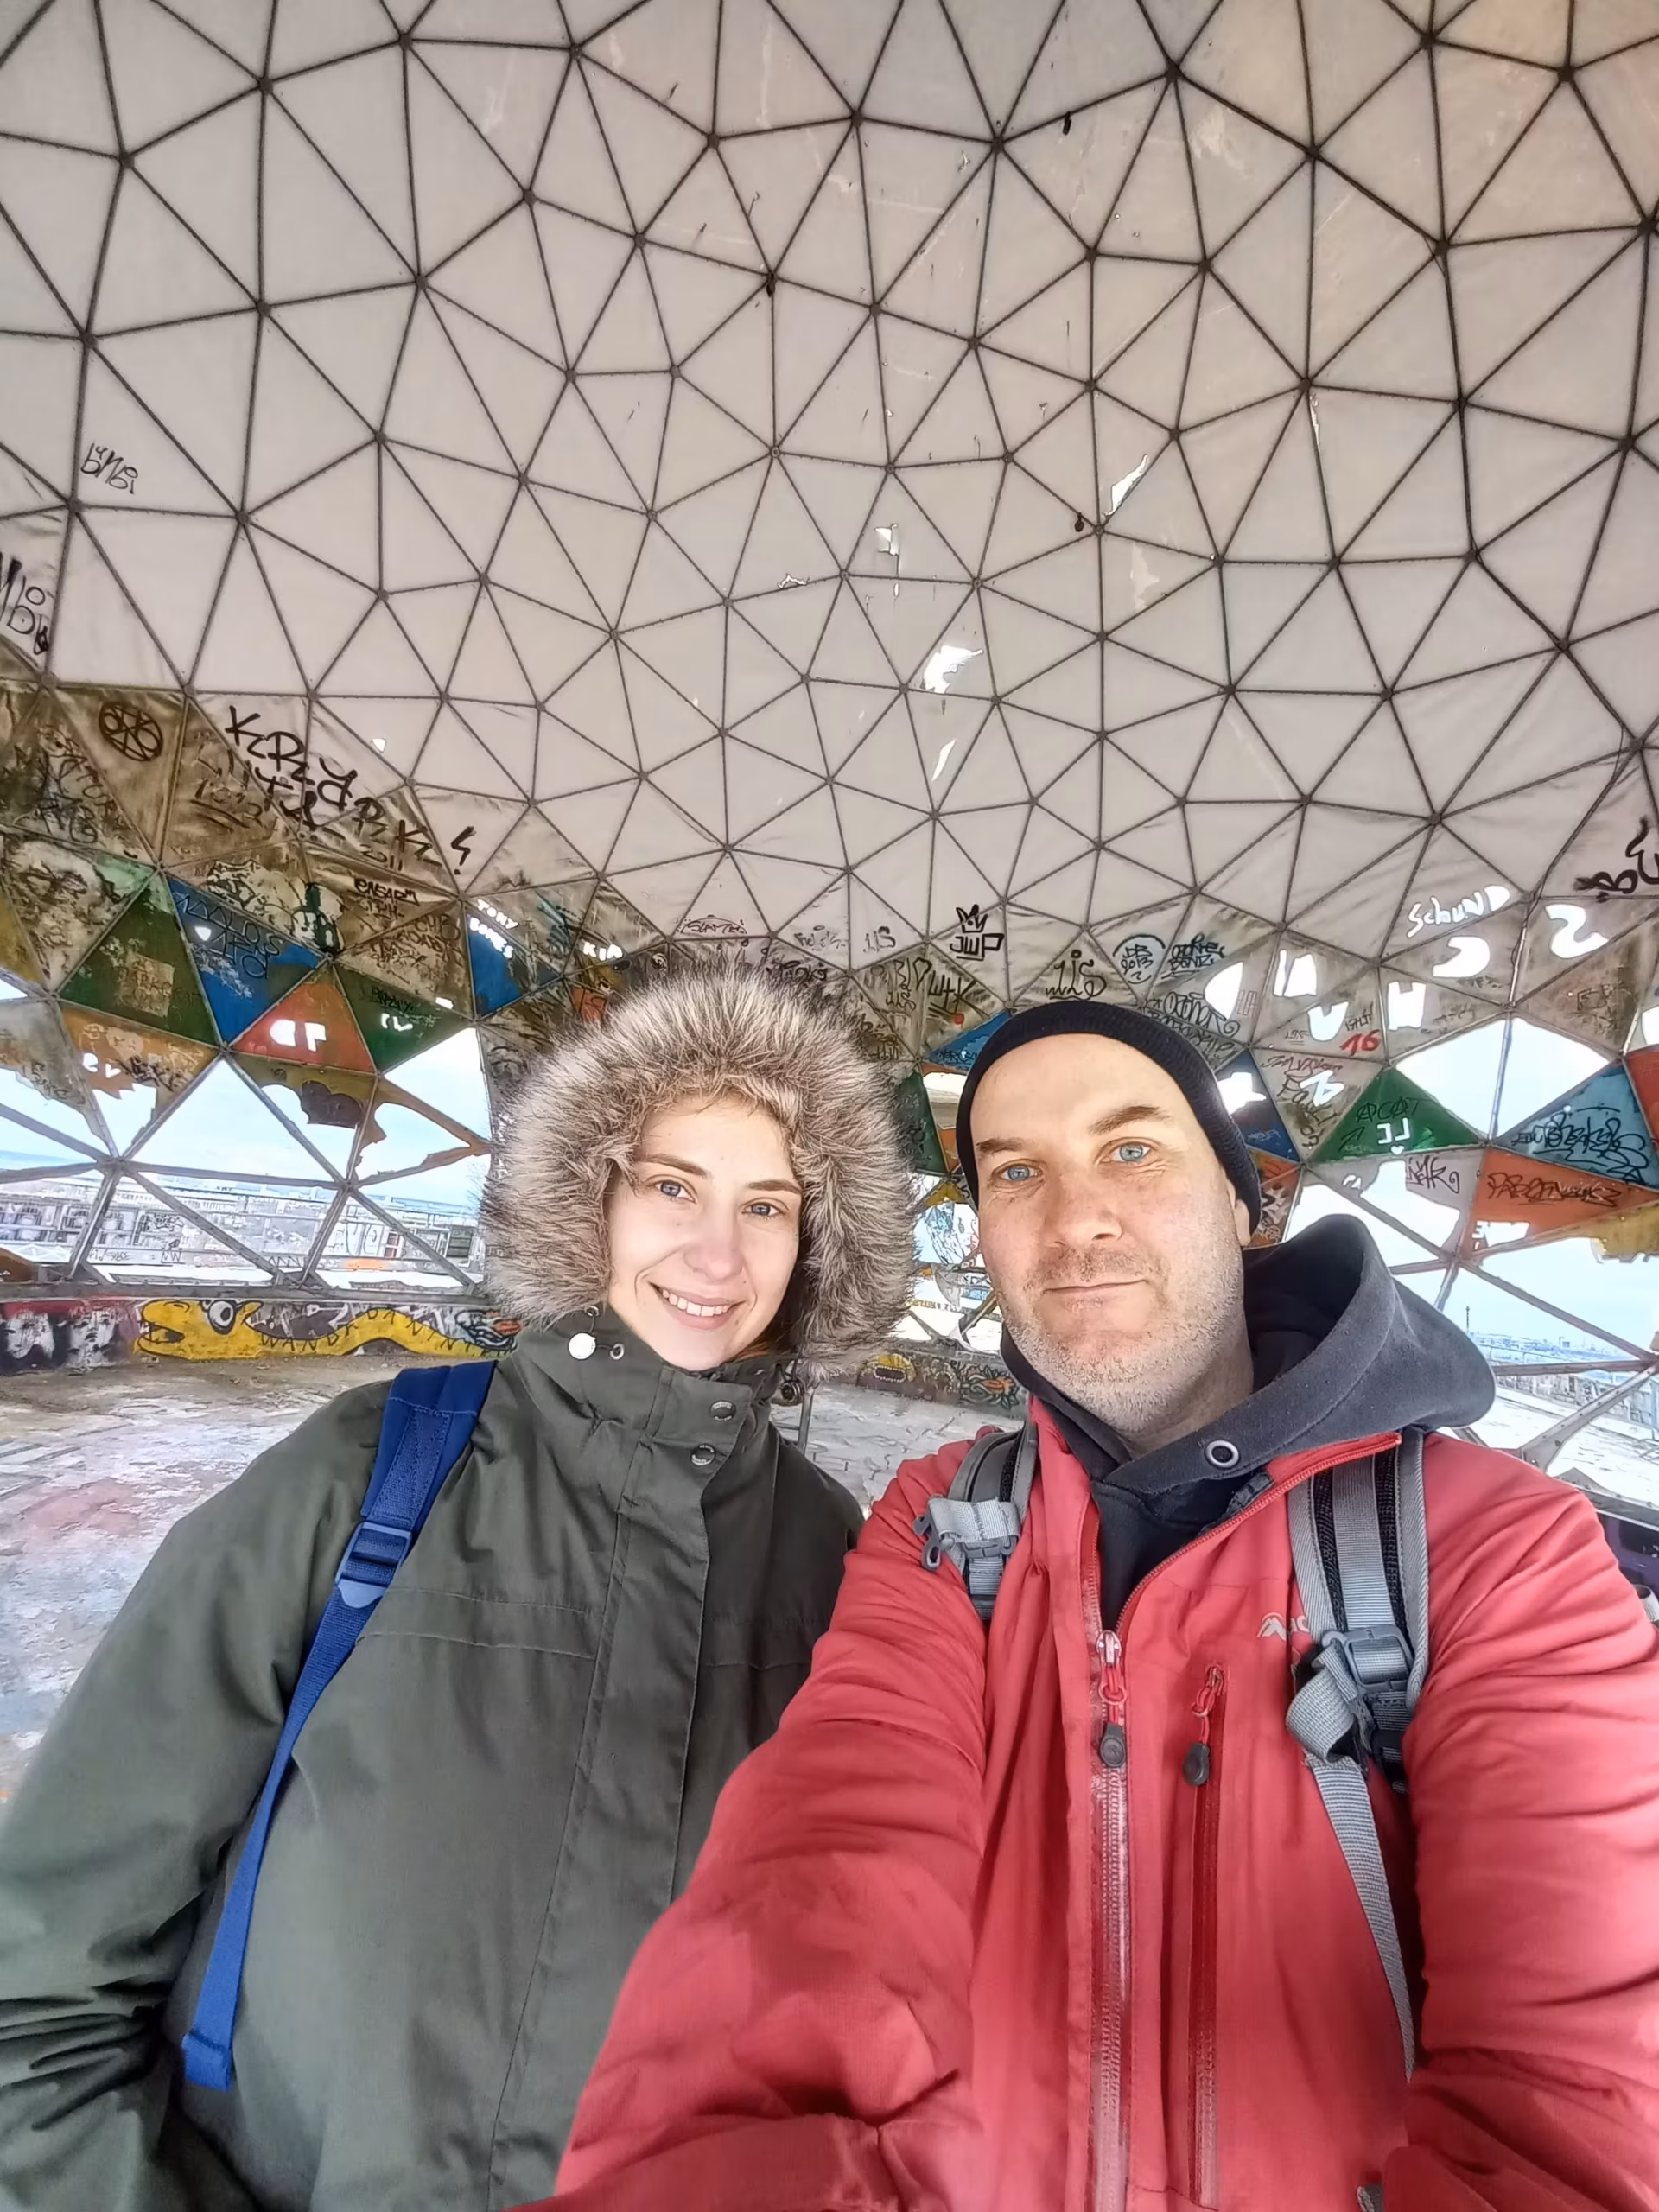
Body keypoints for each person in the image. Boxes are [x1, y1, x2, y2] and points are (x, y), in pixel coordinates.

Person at [544, 1001, 1659, 2212]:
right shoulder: (946, 1516)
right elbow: (831, 1845)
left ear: (1241, 1202)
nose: (1075, 1216)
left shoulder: (1494, 1548)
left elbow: (1583, 2102)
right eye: (1017, 1171)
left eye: (1131, 1149)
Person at [0, 966, 915, 2212]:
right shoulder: (370, 1469)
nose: (718, 1251)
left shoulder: (828, 1545)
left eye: (768, 1204)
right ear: (589, 1202)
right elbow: (42, 1982)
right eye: (672, 1186)